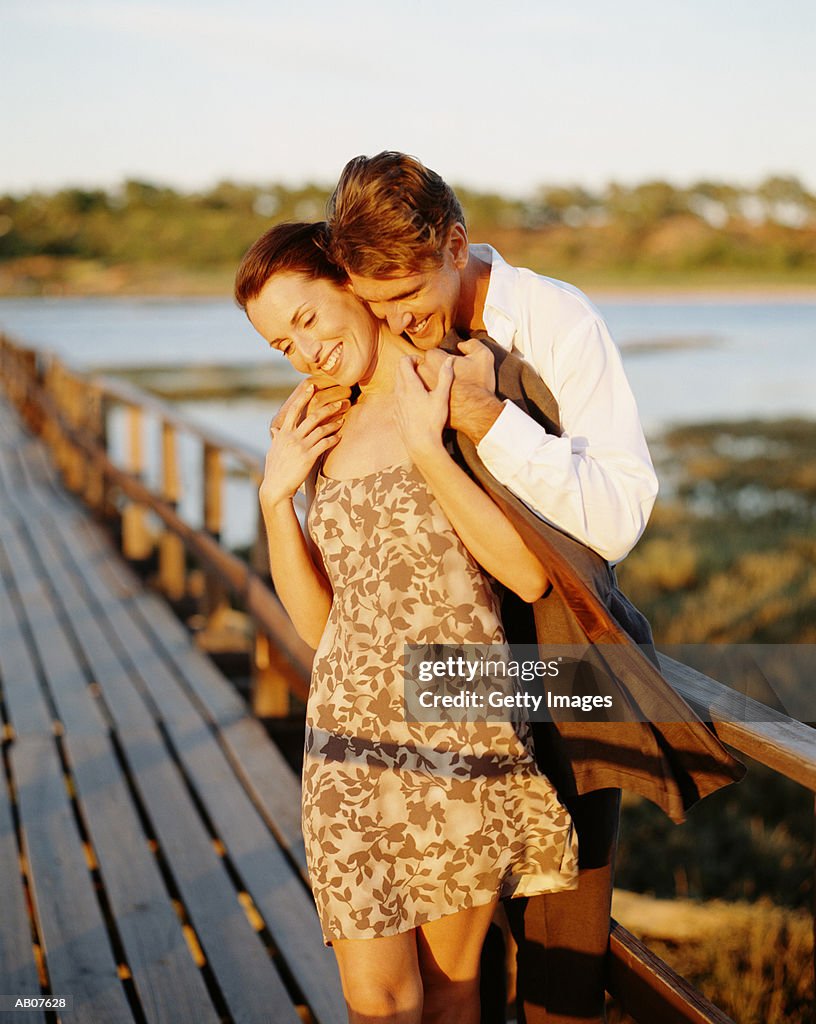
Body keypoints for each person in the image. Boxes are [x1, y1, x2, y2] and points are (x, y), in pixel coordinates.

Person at [322, 152, 744, 1024]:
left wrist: (488, 417)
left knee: (561, 948)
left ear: (456, 243)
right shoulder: (389, 334)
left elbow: (621, 515)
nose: (396, 321)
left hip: (557, 673)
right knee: (461, 951)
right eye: (376, 303)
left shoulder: (557, 322)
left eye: (408, 296)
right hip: (448, 684)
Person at [234, 221, 579, 1024]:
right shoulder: (318, 426)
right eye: (282, 344)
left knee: (454, 991)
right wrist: (274, 498)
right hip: (349, 744)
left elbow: (525, 573)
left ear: (352, 284)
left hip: (460, 728)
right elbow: (322, 629)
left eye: (309, 319)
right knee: (377, 1000)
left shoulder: (458, 387)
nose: (305, 351)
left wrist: (428, 447)